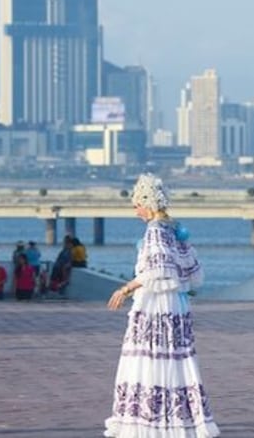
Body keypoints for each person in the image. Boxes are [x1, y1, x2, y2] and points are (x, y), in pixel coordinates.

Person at [104, 173, 219, 437]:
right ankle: (174, 416)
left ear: (148, 204)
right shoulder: (172, 229)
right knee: (173, 360)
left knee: (150, 358)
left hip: (157, 305)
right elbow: (192, 273)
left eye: (137, 206)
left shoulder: (155, 230)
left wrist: (125, 288)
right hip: (175, 304)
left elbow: (155, 271)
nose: (135, 213)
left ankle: (150, 421)